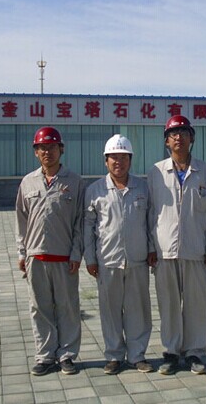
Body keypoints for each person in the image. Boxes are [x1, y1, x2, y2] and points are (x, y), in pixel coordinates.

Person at [147, 115, 206, 375]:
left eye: (184, 133)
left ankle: (194, 353)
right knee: (168, 304)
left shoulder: (205, 171)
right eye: (173, 134)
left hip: (196, 250)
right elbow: (150, 212)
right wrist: (150, 247)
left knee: (197, 304)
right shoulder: (156, 172)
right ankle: (171, 352)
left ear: (192, 138)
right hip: (164, 250)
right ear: (166, 141)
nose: (178, 137)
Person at [15, 126, 85, 376]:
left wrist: (76, 253)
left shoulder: (75, 182)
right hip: (36, 257)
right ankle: (45, 355)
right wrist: (22, 252)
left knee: (68, 308)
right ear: (36, 152)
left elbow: (80, 222)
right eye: (42, 148)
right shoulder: (28, 182)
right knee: (40, 308)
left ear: (61, 149)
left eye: (52, 147)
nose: (47, 152)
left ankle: (67, 355)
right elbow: (21, 220)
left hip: (64, 258)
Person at [83, 134, 154, 375]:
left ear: (130, 160)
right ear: (106, 161)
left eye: (123, 157)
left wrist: (151, 249)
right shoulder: (95, 190)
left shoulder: (143, 188)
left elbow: (151, 222)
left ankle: (137, 355)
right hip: (107, 261)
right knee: (110, 312)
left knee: (138, 310)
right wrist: (90, 258)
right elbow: (88, 228)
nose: (118, 162)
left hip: (138, 260)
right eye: (113, 157)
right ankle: (114, 355)